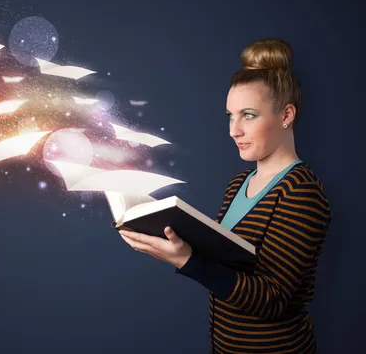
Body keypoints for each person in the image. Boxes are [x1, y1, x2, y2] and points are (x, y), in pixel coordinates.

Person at [119, 38, 331, 353]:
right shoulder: (238, 185)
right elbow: (228, 268)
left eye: (248, 115)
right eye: (230, 116)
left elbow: (272, 300)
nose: (234, 130)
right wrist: (169, 241)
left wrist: (186, 260)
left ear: (286, 115)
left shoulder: (300, 191)